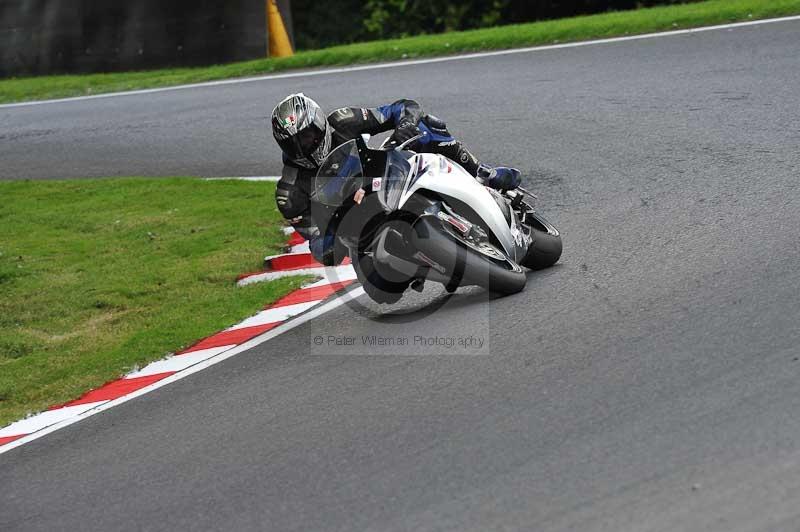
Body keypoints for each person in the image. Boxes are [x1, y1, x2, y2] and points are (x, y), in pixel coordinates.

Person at [271, 93, 521, 266]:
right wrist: (332, 240)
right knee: (381, 287)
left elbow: (402, 107)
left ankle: (482, 173)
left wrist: (405, 124)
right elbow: (317, 244)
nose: (302, 147)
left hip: (386, 177)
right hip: (361, 232)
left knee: (426, 127)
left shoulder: (343, 121)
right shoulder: (289, 193)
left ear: (319, 124)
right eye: (292, 143)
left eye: (306, 137)